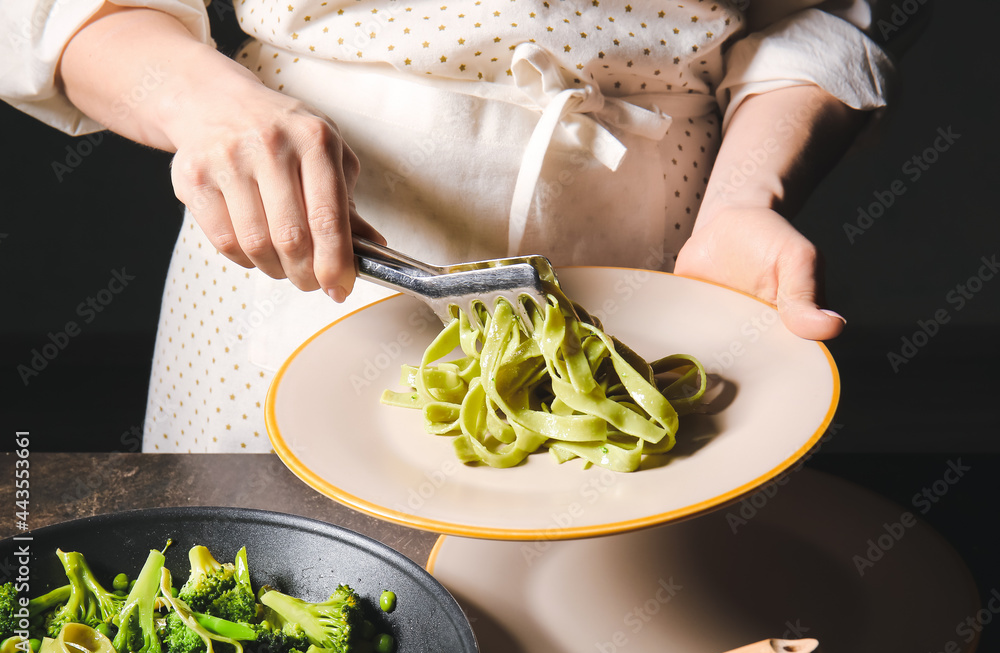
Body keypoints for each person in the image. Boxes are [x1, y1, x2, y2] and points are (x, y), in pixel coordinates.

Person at [1, 0, 894, 452]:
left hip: (666, 264)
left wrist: (744, 201)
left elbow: (815, 17)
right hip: (293, 258)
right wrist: (207, 109)